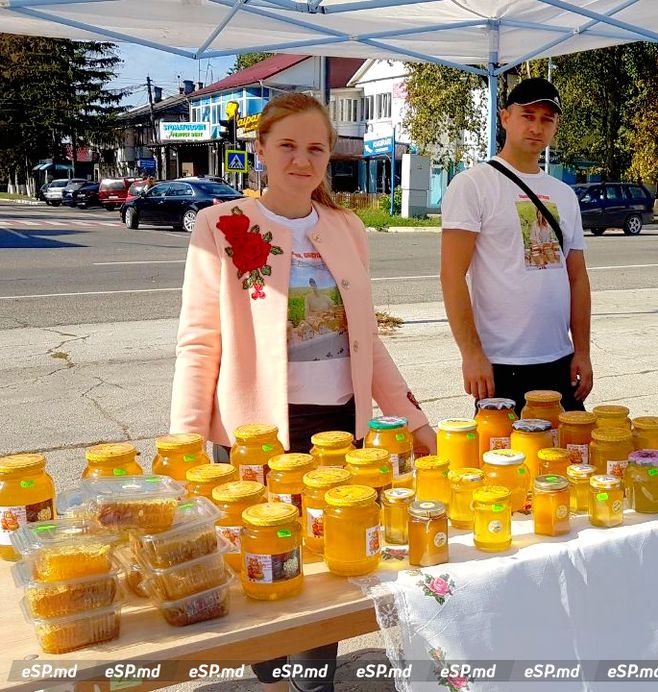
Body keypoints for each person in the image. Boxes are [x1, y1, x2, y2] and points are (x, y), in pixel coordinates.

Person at [169, 92, 435, 692]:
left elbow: (368, 343)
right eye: (286, 145)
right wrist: (184, 446)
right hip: (256, 438)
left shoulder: (346, 227)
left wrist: (413, 421)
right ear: (259, 149)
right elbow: (198, 343)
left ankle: (314, 684)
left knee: (330, 561)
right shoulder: (223, 226)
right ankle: (269, 676)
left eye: (315, 147)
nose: (301, 159)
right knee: (265, 564)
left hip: (340, 432)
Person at [440, 77, 593, 414]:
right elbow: (452, 276)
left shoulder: (565, 195)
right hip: (500, 364)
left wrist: (582, 350)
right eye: (528, 115)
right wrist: (471, 354)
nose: (537, 127)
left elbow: (577, 278)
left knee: (569, 460)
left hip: (559, 360)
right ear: (506, 117)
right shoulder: (473, 184)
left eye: (546, 119)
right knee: (504, 462)